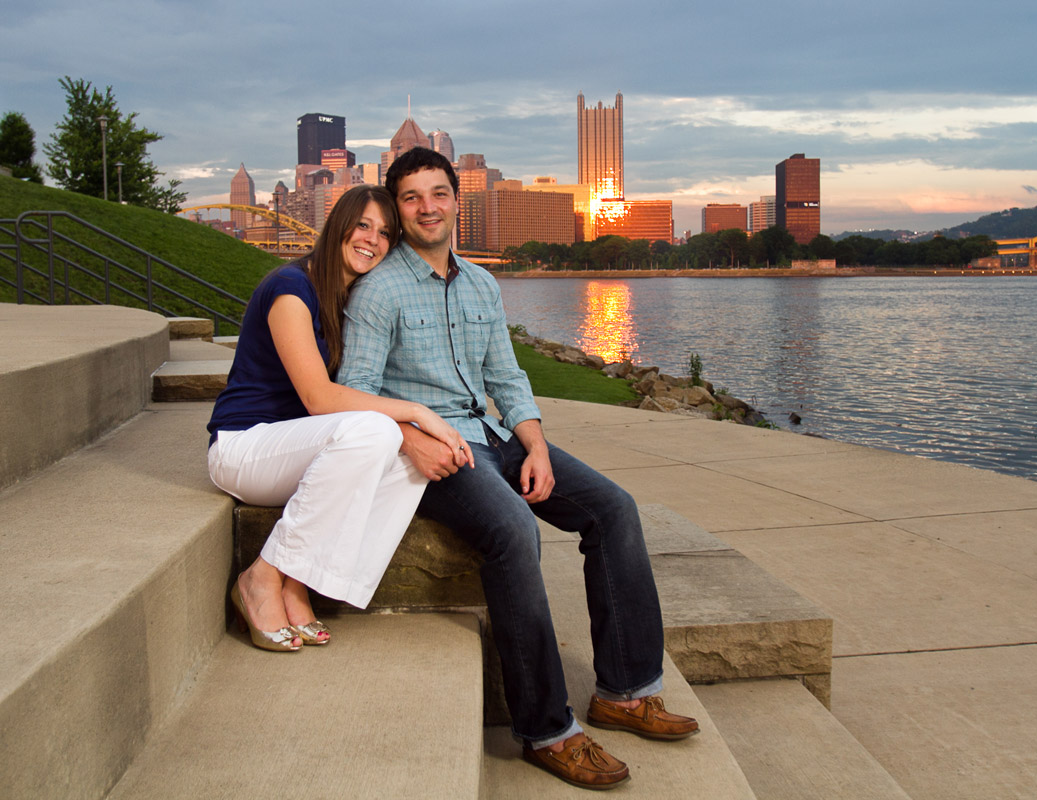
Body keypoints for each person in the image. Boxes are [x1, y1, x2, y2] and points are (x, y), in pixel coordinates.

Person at [338, 148, 698, 790]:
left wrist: (533, 444)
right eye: (413, 197)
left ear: (457, 200)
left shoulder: (481, 283)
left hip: (499, 436)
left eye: (439, 193)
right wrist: (407, 435)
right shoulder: (377, 290)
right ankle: (546, 730)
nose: (428, 207)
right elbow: (356, 389)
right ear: (398, 207)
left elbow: (506, 374)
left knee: (614, 509)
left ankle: (626, 690)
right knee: (514, 530)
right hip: (439, 447)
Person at [207, 184, 473, 653]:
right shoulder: (291, 288)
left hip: (302, 450)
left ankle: (299, 583)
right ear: (337, 226)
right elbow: (318, 398)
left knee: (410, 459)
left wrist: (419, 434)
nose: (372, 240)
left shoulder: (348, 296)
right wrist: (416, 413)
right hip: (245, 448)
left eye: (386, 233)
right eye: (363, 225)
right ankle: (261, 577)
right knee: (376, 430)